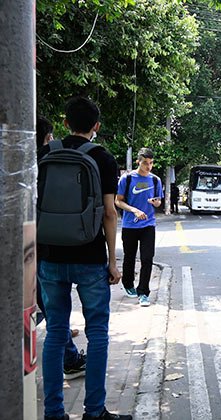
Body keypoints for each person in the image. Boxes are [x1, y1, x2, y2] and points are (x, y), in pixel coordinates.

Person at [37, 97, 131, 420]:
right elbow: (109, 213)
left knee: (56, 334)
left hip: (49, 256)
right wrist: (113, 262)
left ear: (65, 124)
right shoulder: (103, 158)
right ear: (96, 127)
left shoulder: (45, 154)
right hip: (90, 257)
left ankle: (53, 413)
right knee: (98, 334)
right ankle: (94, 412)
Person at [36, 116, 87, 380]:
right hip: (40, 254)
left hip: (42, 253)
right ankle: (69, 358)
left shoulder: (33, 166)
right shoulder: (42, 165)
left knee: (50, 314)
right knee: (49, 314)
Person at [115, 148, 163, 307]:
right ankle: (128, 284)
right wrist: (134, 209)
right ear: (138, 162)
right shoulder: (127, 179)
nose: (148, 166)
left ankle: (143, 292)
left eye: (151, 163)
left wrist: (156, 203)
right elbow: (118, 201)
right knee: (129, 257)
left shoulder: (155, 180)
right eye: (145, 163)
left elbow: (159, 201)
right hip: (130, 225)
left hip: (148, 225)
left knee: (147, 258)